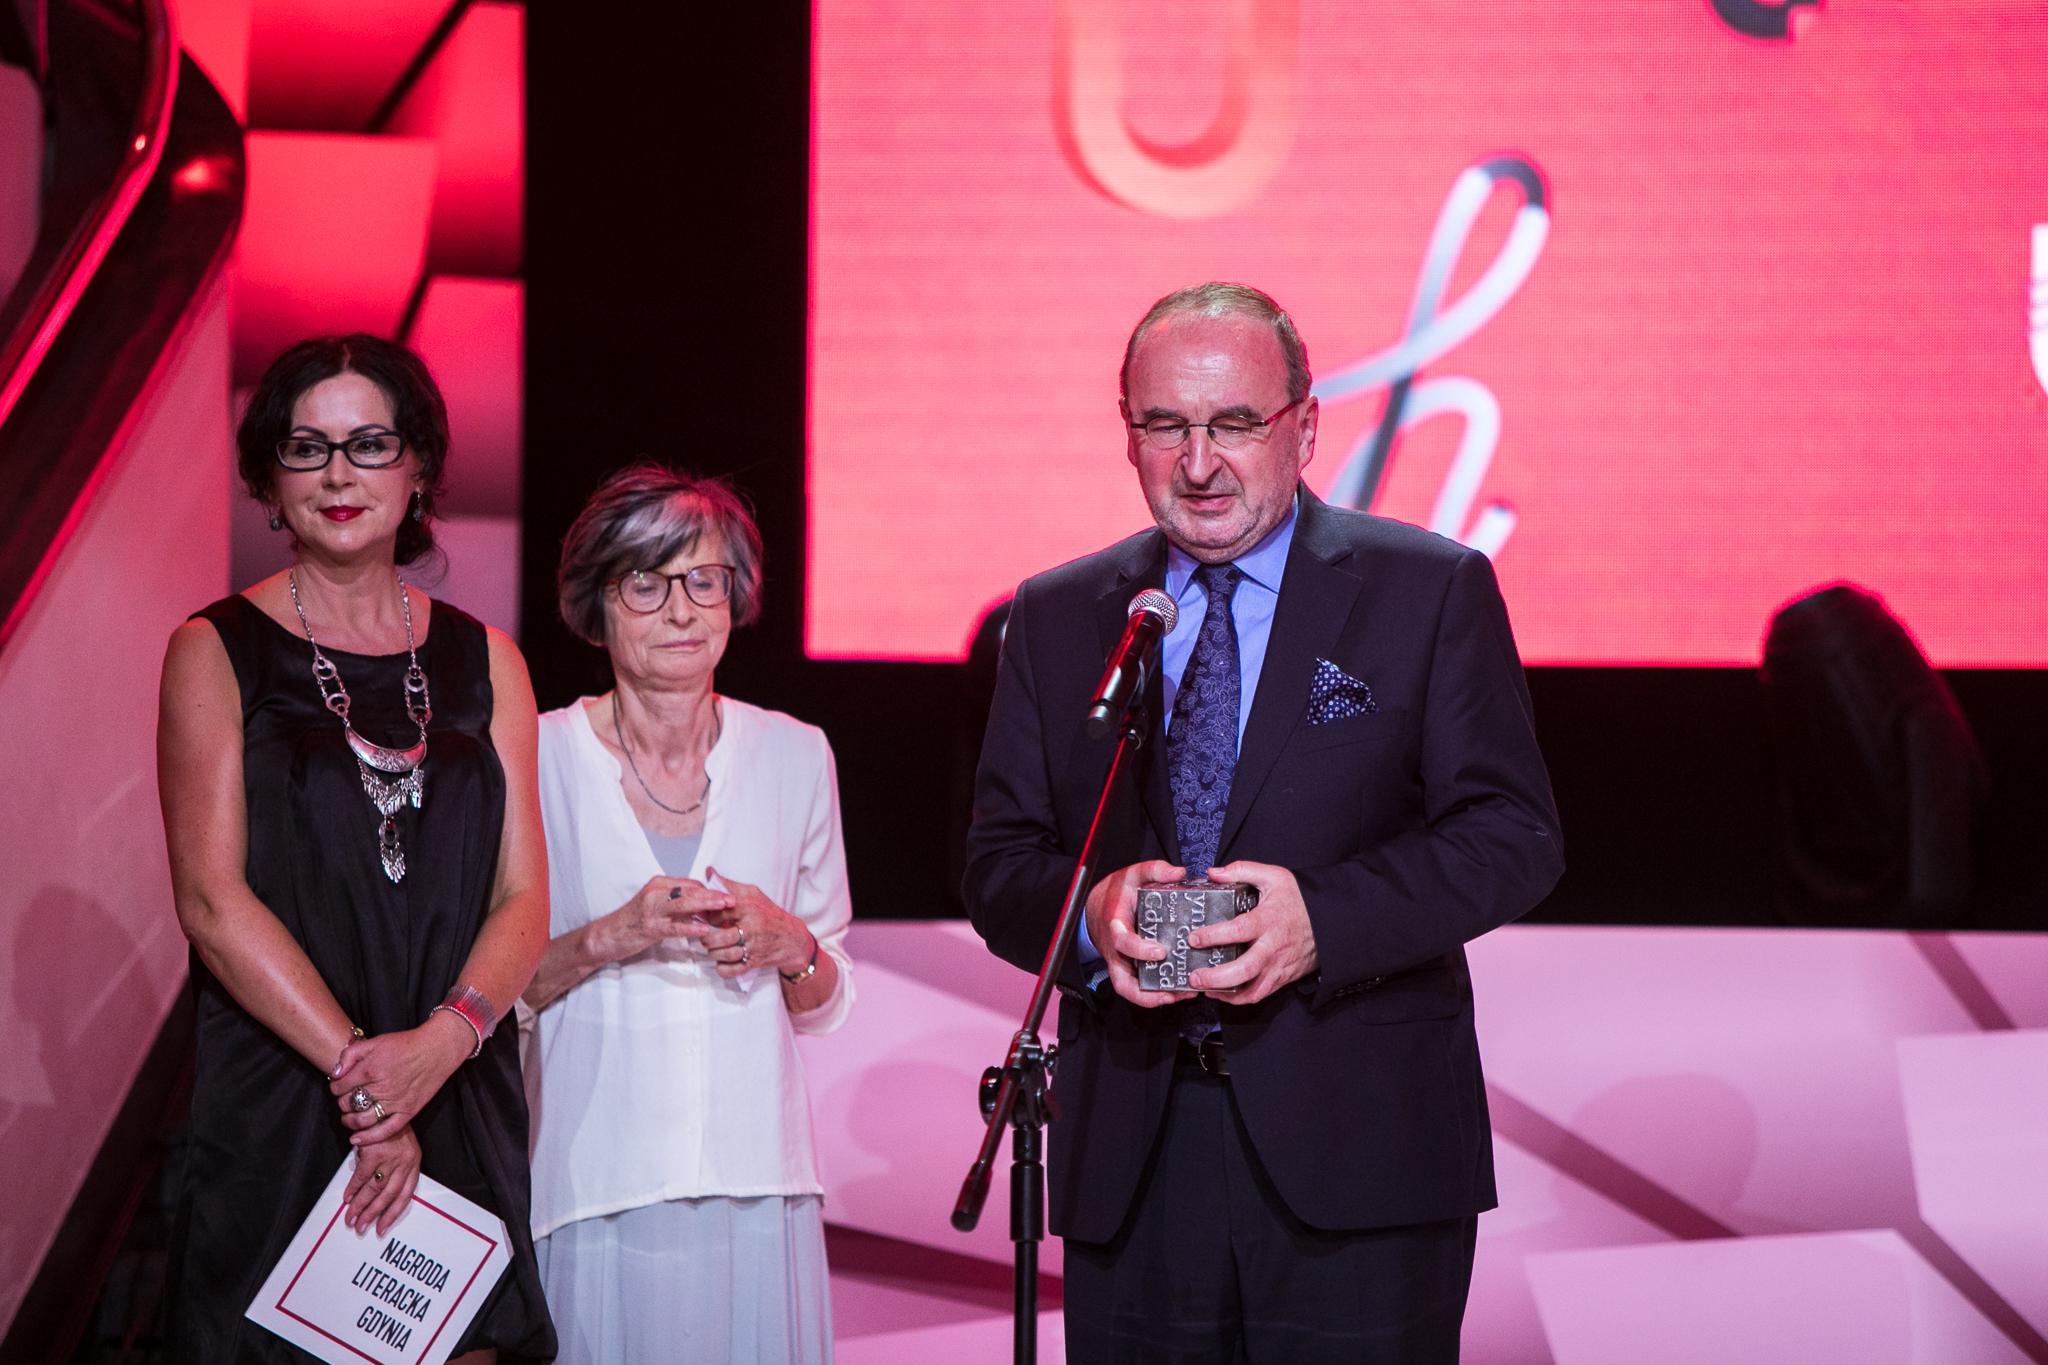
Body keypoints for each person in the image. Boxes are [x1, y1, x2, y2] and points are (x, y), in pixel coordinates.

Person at [964, 283, 1564, 1362]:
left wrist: (1319, 921)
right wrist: (1095, 918)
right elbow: (1001, 863)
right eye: (1165, 426)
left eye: (1233, 422)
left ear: (1303, 429)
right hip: (1135, 1159)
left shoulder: (1424, 590)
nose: (1198, 463)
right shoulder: (1059, 616)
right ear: (1129, 434)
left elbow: (1509, 836)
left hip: (1360, 1153)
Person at [157, 335, 555, 1360]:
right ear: (270, 482)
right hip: (292, 1092)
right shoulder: (213, 650)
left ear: (418, 468)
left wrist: (442, 1044)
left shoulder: (487, 661)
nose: (339, 474)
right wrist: (369, 1086)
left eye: (370, 444)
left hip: (454, 1079)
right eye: (307, 448)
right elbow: (210, 901)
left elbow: (522, 898)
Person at [520, 465, 853, 1363]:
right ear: (597, 602)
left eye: (705, 579)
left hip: (758, 1182)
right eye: (648, 582)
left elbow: (827, 996)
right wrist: (608, 937)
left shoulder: (795, 753)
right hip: (596, 1183)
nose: (682, 608)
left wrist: (794, 945)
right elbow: (489, 992)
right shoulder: (536, 756)